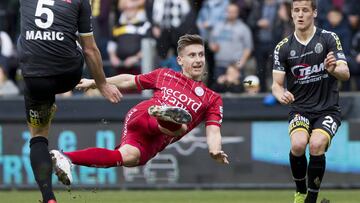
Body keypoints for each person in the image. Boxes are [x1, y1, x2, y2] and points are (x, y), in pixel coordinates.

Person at [50, 34, 229, 187]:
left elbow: (213, 130)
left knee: (130, 158)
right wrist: (96, 82)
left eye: (201, 55)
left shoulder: (212, 98)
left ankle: (64, 157)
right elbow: (130, 81)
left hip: (159, 137)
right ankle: (163, 114)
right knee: (182, 126)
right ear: (180, 60)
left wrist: (215, 150)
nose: (198, 60)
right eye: (192, 55)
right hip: (143, 116)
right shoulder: (165, 74)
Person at [17, 0, 122, 202]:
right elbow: (90, 50)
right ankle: (52, 102)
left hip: (35, 78)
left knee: (37, 137)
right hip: (68, 75)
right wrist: (101, 84)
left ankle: (48, 198)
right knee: (76, 41)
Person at [271, 1, 350, 203]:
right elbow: (276, 84)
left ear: (314, 12)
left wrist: (333, 70)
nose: (300, 14)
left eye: (305, 10)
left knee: (316, 144)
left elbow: (345, 73)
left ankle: (311, 199)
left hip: (328, 109)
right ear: (291, 14)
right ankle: (300, 192)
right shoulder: (283, 47)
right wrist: (280, 94)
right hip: (300, 109)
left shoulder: (329, 38)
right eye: (296, 10)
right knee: (298, 145)